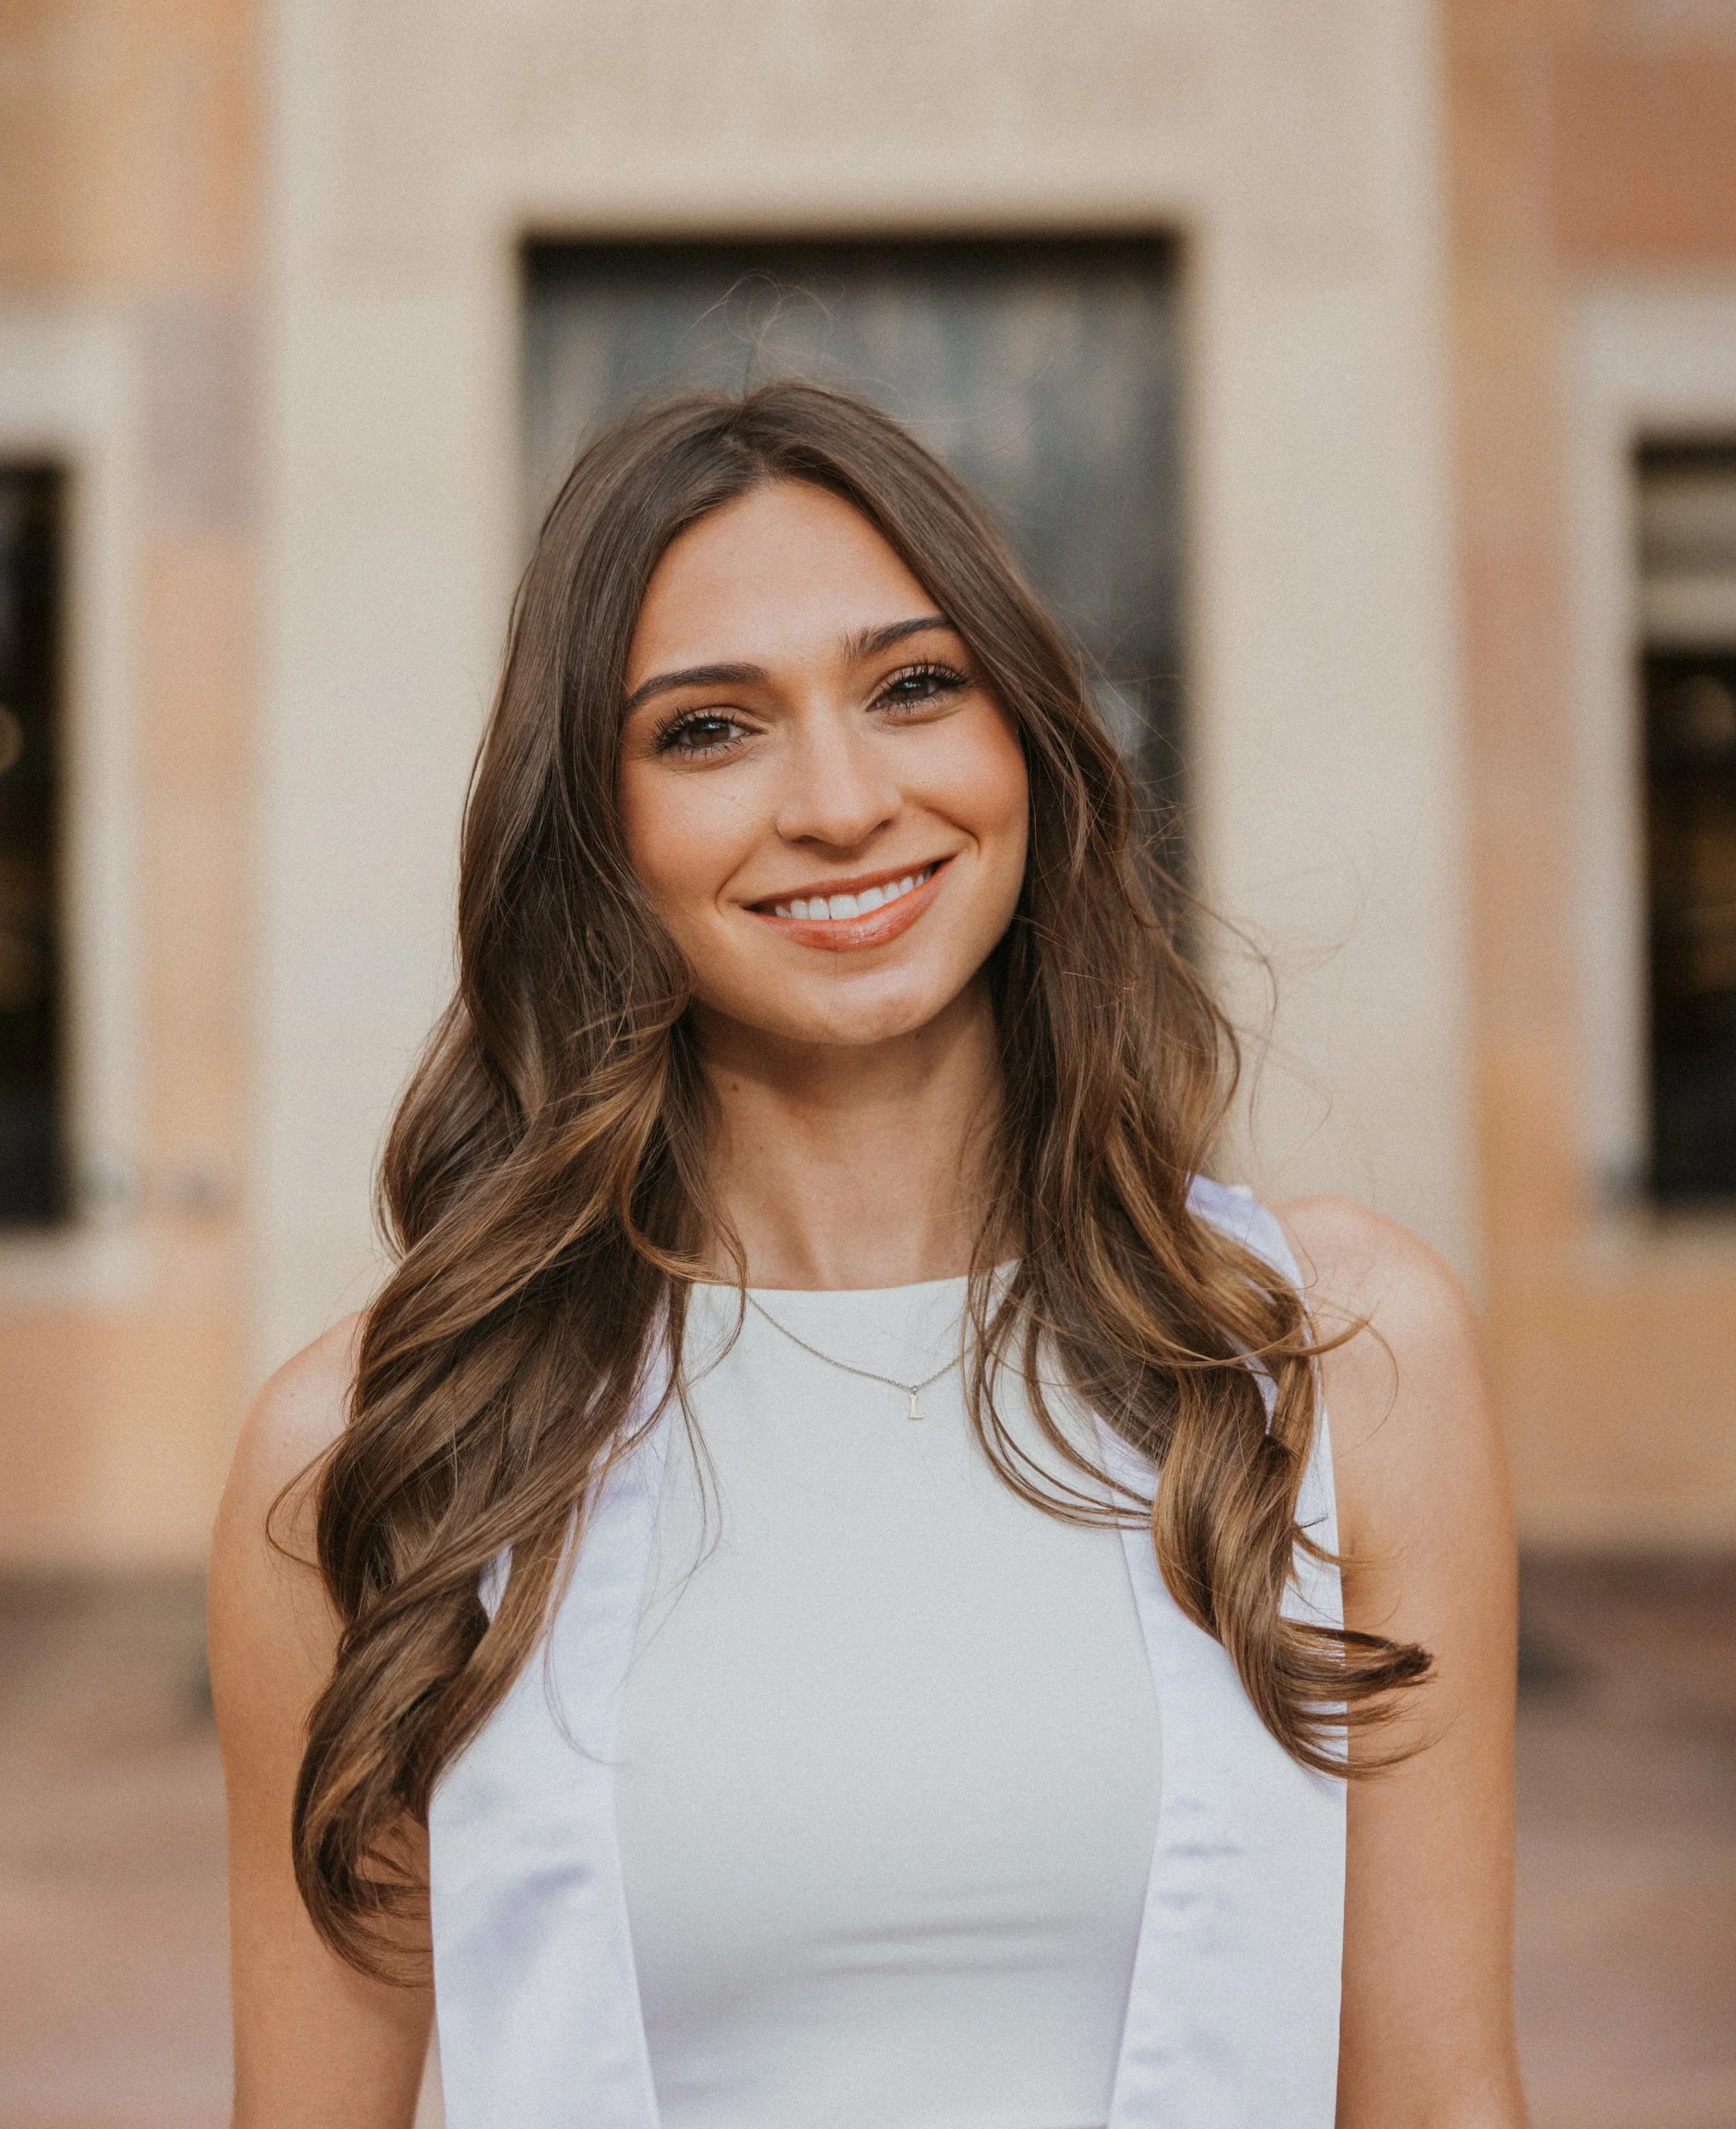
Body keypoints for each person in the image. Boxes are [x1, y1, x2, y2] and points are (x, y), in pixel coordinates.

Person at [210, 381, 1528, 2129]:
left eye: (913, 687)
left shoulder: (1333, 1358)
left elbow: (1438, 2105)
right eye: (706, 730)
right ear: (592, 832)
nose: (839, 803)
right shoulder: (384, 1450)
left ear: (1028, 746)